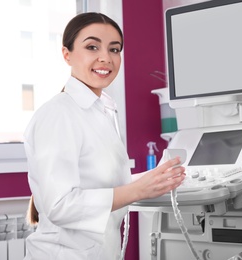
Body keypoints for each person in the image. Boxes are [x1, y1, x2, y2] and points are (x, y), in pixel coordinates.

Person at [23, 12, 186, 259]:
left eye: (114, 49)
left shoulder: (102, 110)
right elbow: (60, 205)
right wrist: (140, 190)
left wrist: (155, 178)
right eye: (92, 47)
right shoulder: (58, 114)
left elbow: (103, 186)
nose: (105, 58)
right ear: (67, 54)